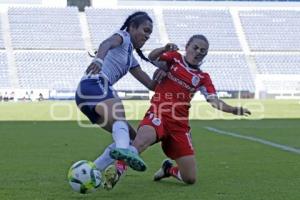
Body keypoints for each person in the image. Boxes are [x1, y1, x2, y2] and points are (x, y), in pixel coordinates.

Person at [104, 34, 251, 188]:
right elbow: (152, 56)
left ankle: (168, 169)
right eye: (195, 48)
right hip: (158, 113)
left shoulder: (202, 77)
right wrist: (164, 48)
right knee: (139, 143)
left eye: (203, 51)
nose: (198, 52)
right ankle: (116, 172)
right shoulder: (174, 58)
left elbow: (214, 101)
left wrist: (233, 110)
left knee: (190, 178)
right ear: (187, 47)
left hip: (179, 126)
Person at [75, 11, 166, 174]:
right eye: (145, 30)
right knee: (119, 114)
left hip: (85, 96)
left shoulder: (131, 59)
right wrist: (98, 60)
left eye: (150, 33)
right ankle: (123, 153)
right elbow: (106, 43)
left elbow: (151, 85)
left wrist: (165, 75)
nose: (147, 36)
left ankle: (93, 171)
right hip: (94, 84)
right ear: (132, 27)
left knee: (131, 137)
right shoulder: (123, 36)